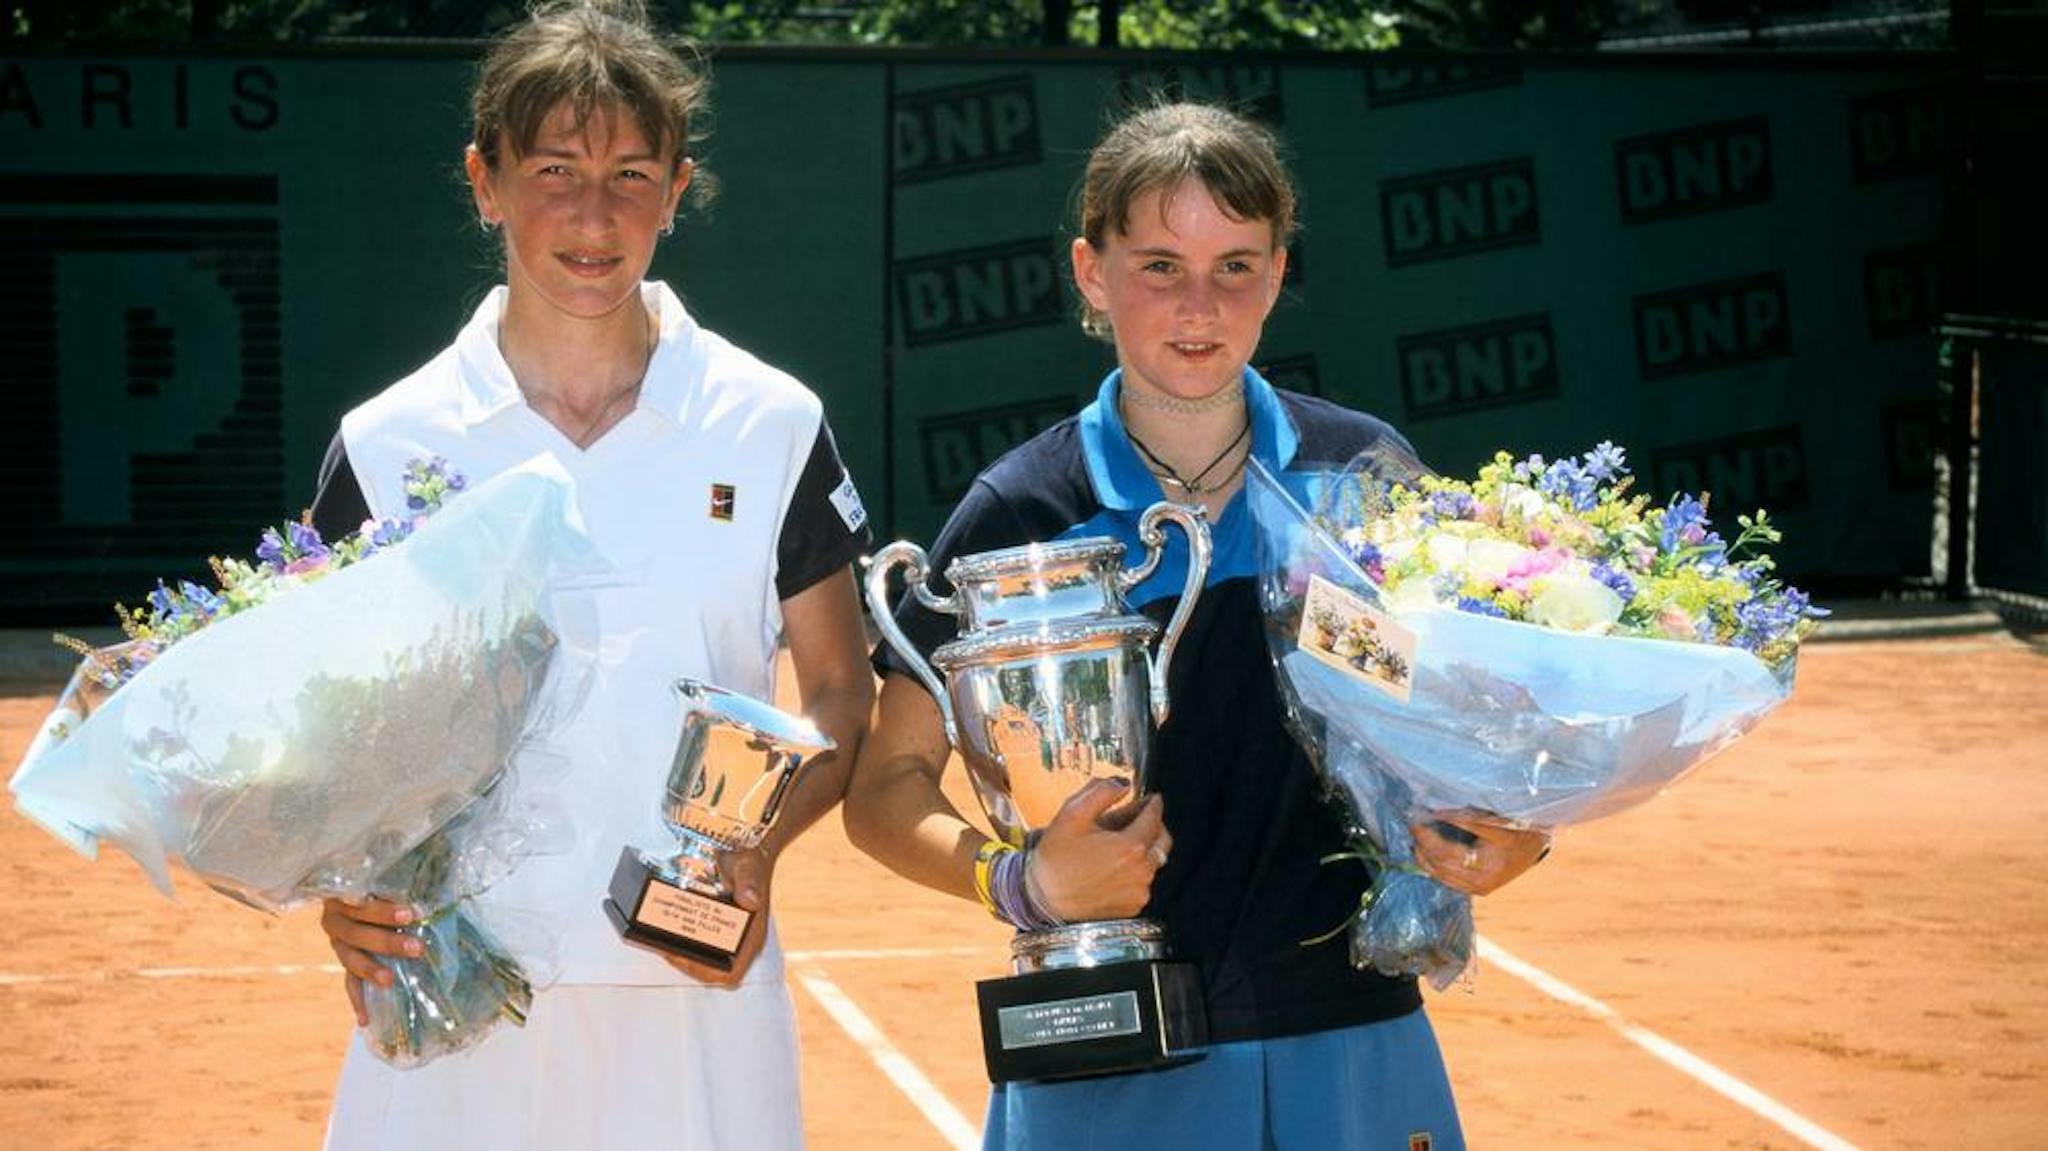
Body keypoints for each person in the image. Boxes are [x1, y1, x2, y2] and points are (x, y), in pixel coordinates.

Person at [844, 101, 1551, 1149]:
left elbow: (1465, 726)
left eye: (1235, 265)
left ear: (1275, 272)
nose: (1198, 306)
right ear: (1091, 272)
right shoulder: (1021, 511)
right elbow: (883, 787)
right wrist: (1021, 881)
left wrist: (1513, 834)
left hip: (1348, 1033)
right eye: (1158, 265)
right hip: (1109, 1049)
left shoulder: (1355, 479)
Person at [306, 3, 874, 1147]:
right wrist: (341, 883)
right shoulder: (386, 440)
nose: (591, 212)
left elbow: (838, 689)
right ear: (485, 180)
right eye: (553, 168)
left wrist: (752, 845)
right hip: (454, 987)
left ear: (676, 189)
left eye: (629, 173)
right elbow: (319, 723)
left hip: (697, 1000)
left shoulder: (772, 422)